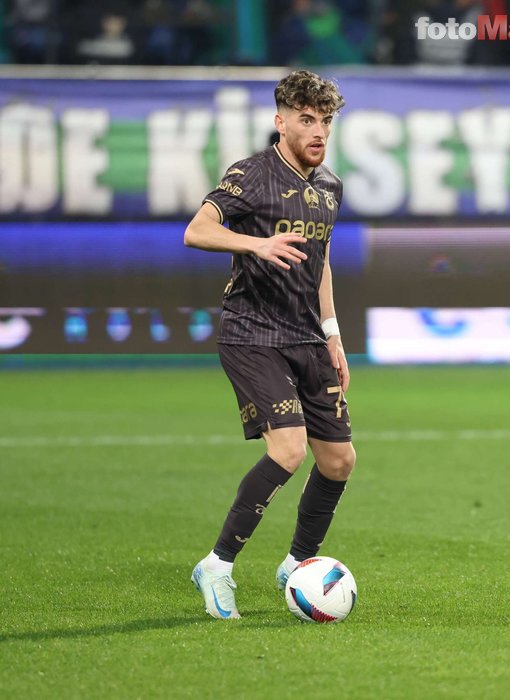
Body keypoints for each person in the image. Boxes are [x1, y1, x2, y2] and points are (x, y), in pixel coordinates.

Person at [184, 69, 356, 620]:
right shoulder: (252, 174)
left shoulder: (329, 187)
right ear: (281, 122)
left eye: (325, 121)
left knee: (339, 461)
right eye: (307, 119)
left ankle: (298, 564)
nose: (318, 131)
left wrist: (332, 333)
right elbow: (197, 230)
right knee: (288, 449)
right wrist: (256, 244)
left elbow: (320, 261)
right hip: (252, 334)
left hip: (307, 336)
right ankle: (217, 566)